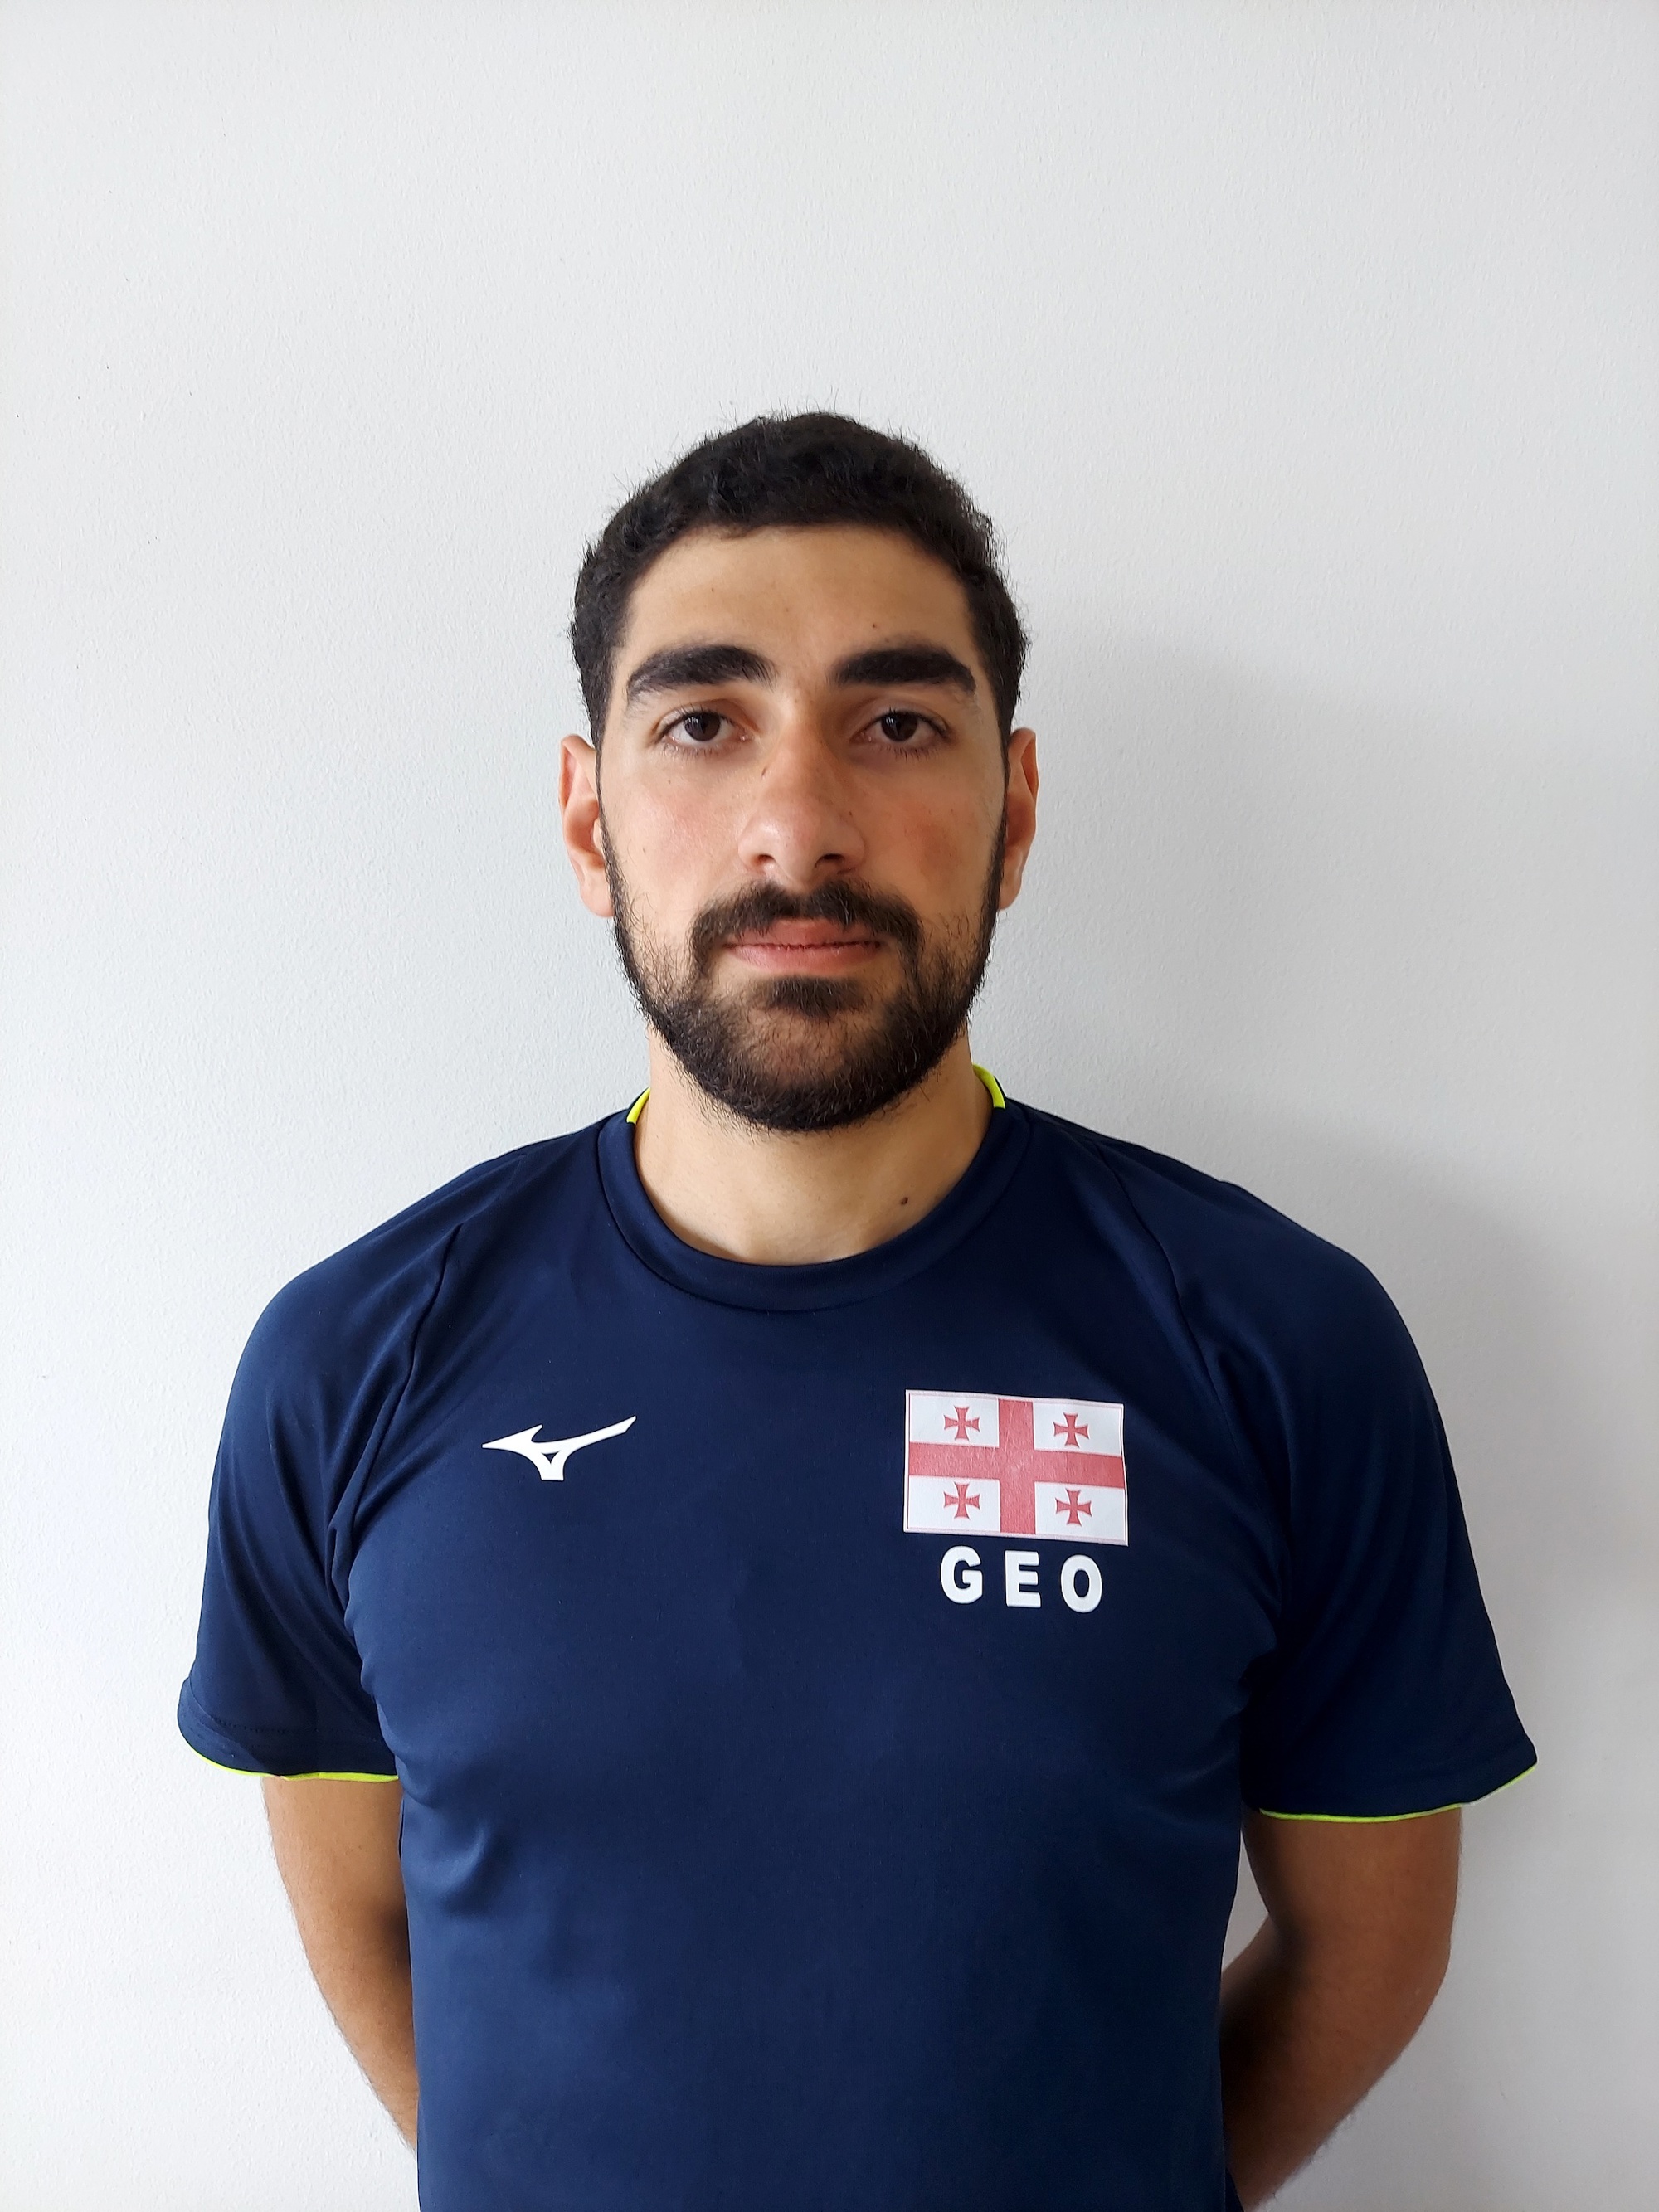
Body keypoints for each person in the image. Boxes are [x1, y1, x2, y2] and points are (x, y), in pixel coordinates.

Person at [178, 412, 1535, 2211]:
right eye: (701, 722)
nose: (798, 827)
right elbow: (363, 1914)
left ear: (1014, 810)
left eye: (896, 723)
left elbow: (1366, 1950)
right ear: (587, 816)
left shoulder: (1277, 1343)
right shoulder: (355, 1358)